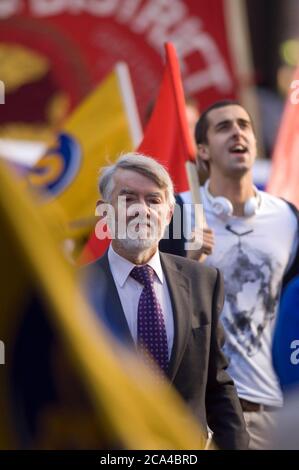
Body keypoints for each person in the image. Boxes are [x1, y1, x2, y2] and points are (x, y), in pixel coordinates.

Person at [82, 152, 248, 450]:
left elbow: (218, 385)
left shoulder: (203, 282)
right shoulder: (76, 290)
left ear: (169, 215)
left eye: (154, 200)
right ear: (104, 213)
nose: (141, 210)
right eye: (128, 198)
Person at [179, 100, 299, 449]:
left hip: (277, 410)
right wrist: (187, 264)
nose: (237, 132)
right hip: (208, 415)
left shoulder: (289, 218)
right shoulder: (177, 214)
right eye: (223, 127)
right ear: (203, 151)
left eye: (244, 125)